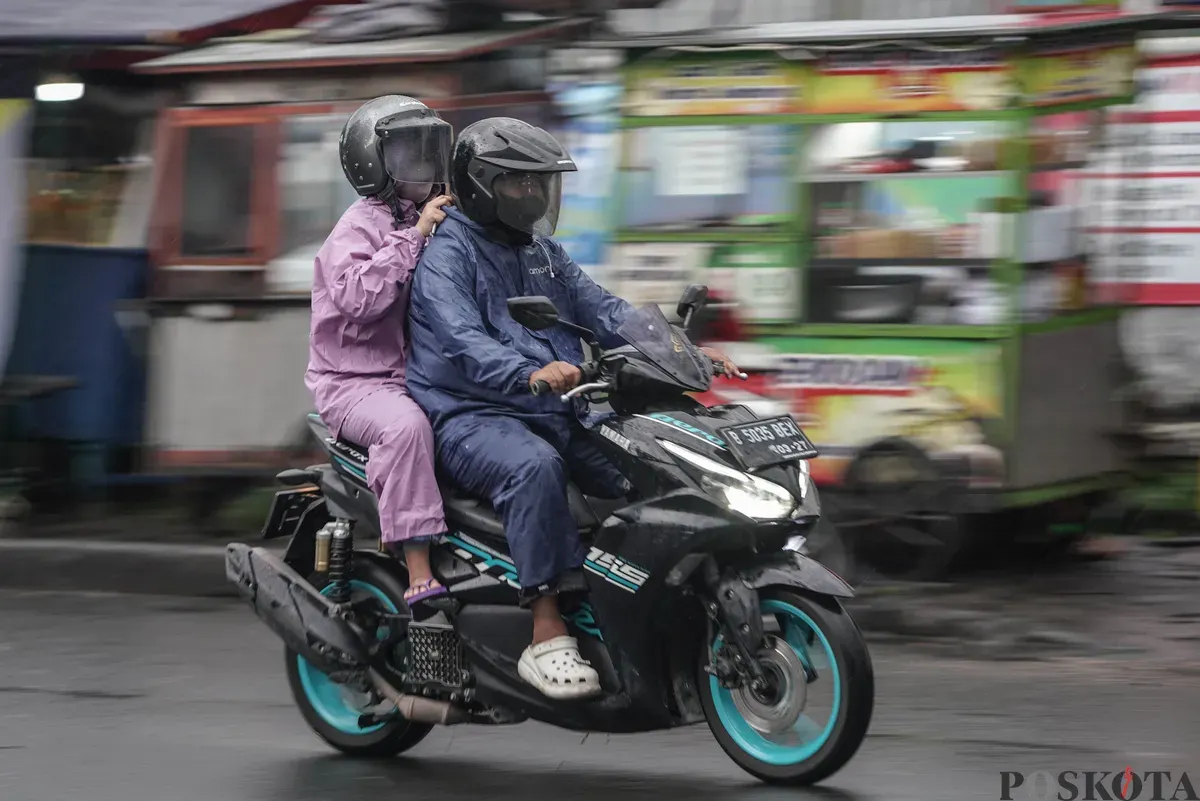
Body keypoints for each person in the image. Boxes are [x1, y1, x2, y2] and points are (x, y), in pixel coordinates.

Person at [406, 117, 737, 700]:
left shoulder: (542, 253)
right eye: (518, 184)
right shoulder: (447, 254)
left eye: (540, 185)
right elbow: (461, 339)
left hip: (559, 405)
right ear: (481, 184)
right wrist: (527, 371)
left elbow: (606, 312)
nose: (533, 196)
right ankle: (546, 630)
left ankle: (634, 603)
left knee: (644, 464)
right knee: (535, 468)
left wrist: (682, 351)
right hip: (472, 414)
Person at [305, 95, 455, 607]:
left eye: (431, 152)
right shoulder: (358, 228)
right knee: (406, 428)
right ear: (376, 164)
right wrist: (415, 236)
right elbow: (358, 300)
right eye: (412, 155)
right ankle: (418, 569)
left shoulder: (430, 216)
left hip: (413, 375)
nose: (428, 165)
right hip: (354, 385)